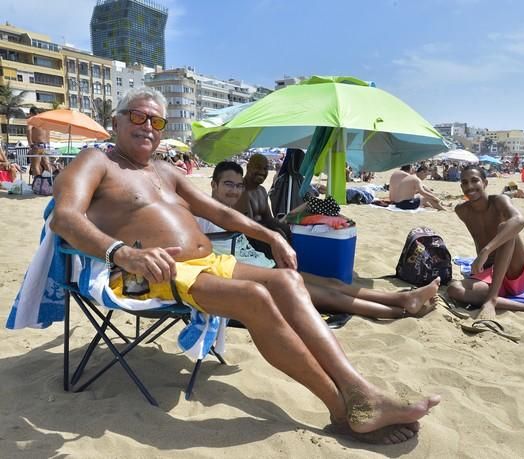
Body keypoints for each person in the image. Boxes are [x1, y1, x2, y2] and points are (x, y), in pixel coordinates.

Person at [50, 87, 438, 444]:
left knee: (288, 280)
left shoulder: (164, 171)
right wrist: (122, 253)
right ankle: (343, 412)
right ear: (116, 121)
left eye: (156, 121)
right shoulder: (95, 161)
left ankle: (357, 390)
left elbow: (218, 211)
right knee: (254, 297)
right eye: (137, 117)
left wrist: (271, 236)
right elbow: (65, 218)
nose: (147, 127)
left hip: (205, 262)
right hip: (144, 272)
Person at [204, 160, 440, 319]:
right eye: (228, 184)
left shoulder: (238, 206)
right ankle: (402, 311)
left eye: (237, 185)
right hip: (246, 279)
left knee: (333, 284)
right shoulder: (200, 214)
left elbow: (262, 222)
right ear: (213, 185)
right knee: (327, 295)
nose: (234, 190)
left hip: (262, 266)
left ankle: (403, 298)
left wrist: (281, 229)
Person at [446, 165, 524, 323]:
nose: (470, 186)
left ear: (485, 183)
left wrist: (485, 251)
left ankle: (492, 299)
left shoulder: (499, 201)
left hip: (518, 271)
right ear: (461, 187)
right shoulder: (462, 210)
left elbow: (520, 221)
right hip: (492, 275)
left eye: (475, 181)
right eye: (465, 183)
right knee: (455, 289)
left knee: (506, 227)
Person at [235, 153, 292, 257]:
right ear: (248, 167)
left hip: (262, 235)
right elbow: (248, 227)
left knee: (286, 230)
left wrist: (284, 227)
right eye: (258, 167)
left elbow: (268, 219)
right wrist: (275, 234)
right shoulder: (241, 190)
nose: (262, 172)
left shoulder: (262, 190)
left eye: (265, 168)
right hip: (247, 240)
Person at [26, 107, 52, 178]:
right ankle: (51, 182)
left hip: (37, 145)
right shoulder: (45, 121)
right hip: (46, 145)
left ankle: (38, 183)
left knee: (35, 166)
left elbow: (28, 129)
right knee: (46, 165)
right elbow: (48, 134)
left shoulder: (33, 120)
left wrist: (30, 143)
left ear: (31, 113)